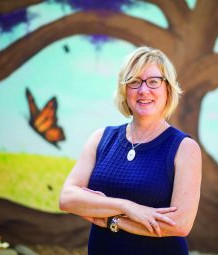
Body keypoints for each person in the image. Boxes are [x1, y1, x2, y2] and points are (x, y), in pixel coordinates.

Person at [59, 46, 202, 255]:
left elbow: (179, 224)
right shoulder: (101, 138)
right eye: (134, 82)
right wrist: (128, 207)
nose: (143, 90)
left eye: (153, 81)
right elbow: (67, 198)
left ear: (168, 89)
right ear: (124, 90)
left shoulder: (184, 147)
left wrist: (111, 219)